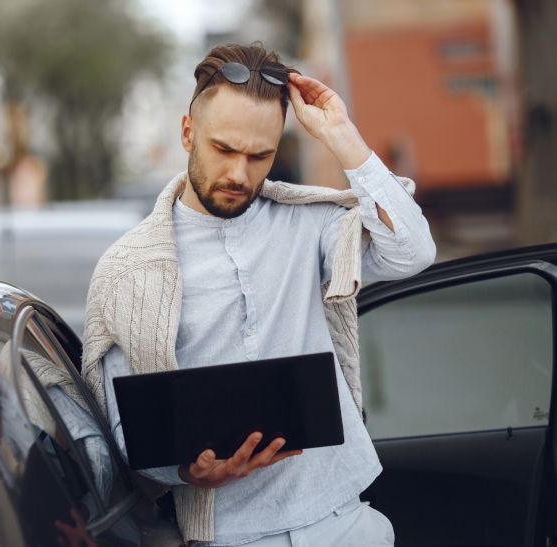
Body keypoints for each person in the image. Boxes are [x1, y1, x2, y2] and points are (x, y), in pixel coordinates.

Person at [81, 43, 436, 546]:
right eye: (223, 149)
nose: (239, 174)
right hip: (229, 534)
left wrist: (342, 136)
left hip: (343, 520)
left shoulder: (309, 225)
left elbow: (412, 252)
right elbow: (122, 432)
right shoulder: (127, 271)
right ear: (188, 133)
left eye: (259, 155)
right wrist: (186, 472)